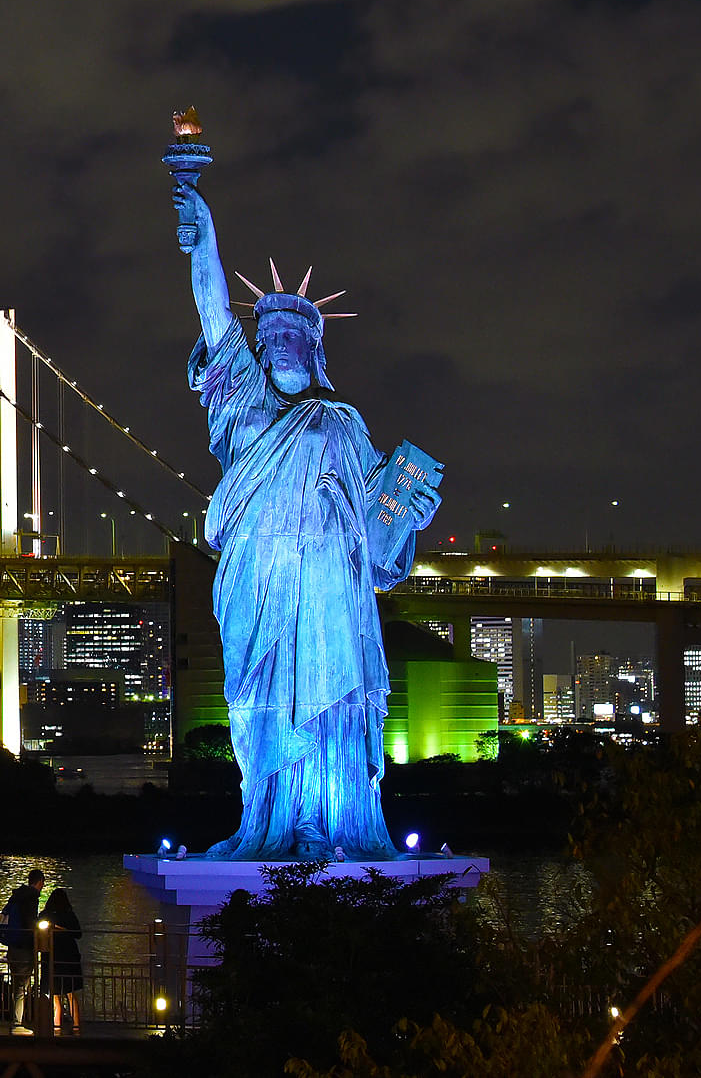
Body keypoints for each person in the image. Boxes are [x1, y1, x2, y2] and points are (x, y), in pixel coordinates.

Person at [172, 115, 439, 859]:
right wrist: (207, 234)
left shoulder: (342, 422)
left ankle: (334, 820)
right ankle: (266, 818)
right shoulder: (246, 403)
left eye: (295, 335)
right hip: (259, 581)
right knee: (258, 701)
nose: (280, 342)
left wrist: (409, 505)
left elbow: (380, 529)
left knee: (331, 704)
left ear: (314, 349)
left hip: (326, 588)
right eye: (272, 336)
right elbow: (213, 310)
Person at [0, 868, 46, 1029]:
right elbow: (29, 922)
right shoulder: (32, 897)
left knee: (17, 984)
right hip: (24, 946)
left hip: (12, 945)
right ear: (40, 883)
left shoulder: (17, 895)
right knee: (22, 986)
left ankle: (17, 1019)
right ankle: (17, 1022)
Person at [41, 886, 83, 1030]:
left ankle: (56, 1025)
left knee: (55, 994)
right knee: (71, 993)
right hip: (69, 958)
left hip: (51, 957)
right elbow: (78, 933)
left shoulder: (45, 915)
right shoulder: (69, 915)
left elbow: (38, 932)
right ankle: (76, 1025)